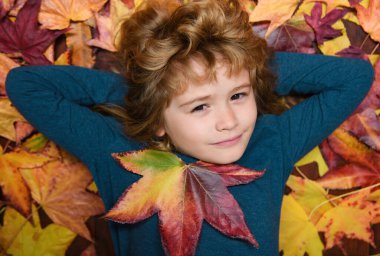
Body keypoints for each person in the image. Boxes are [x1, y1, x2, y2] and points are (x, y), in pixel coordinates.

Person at [5, 0, 374, 255]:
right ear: (160, 118)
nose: (229, 121)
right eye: (200, 106)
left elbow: (354, 76)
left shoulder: (270, 141)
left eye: (238, 96)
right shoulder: (119, 152)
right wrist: (145, 95)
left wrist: (248, 69)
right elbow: (26, 85)